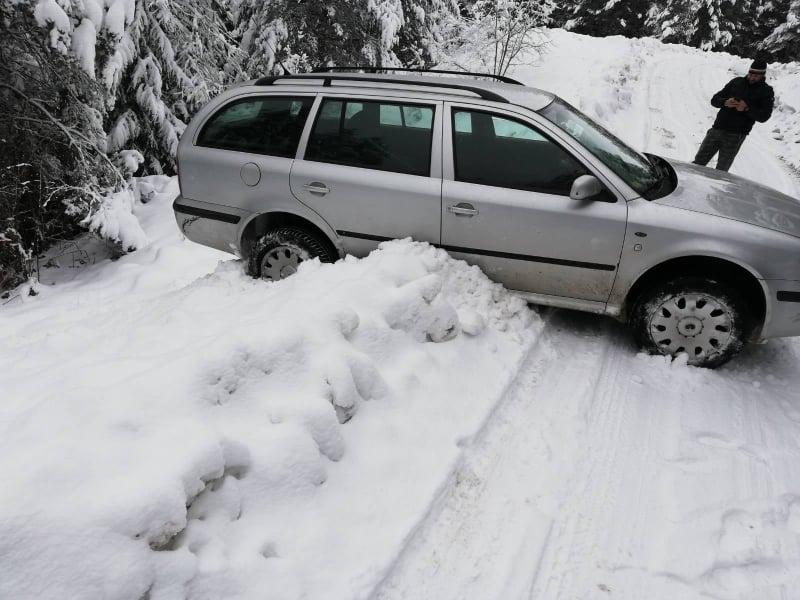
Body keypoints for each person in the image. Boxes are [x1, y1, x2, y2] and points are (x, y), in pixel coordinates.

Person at [692, 59, 775, 172]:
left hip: (736, 136)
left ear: (762, 75)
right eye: (751, 74)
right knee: (697, 164)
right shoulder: (736, 82)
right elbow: (714, 100)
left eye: (756, 76)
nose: (752, 77)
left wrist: (746, 108)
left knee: (721, 172)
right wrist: (725, 102)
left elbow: (764, 116)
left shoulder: (766, 91)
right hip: (717, 129)